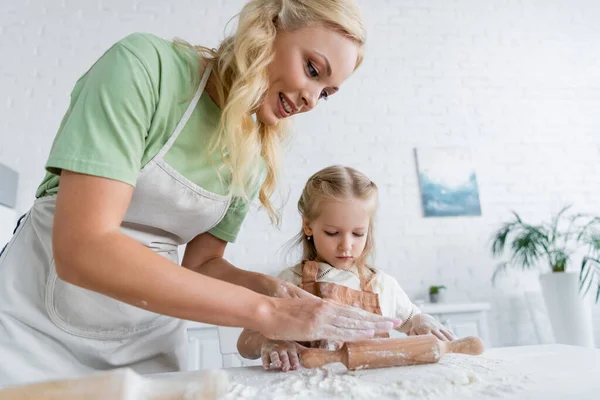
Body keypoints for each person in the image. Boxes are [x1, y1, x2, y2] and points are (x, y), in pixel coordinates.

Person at [0, 0, 401, 385]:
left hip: (147, 344)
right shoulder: (144, 68)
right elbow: (82, 247)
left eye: (327, 92)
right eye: (312, 69)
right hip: (34, 335)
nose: (312, 100)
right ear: (269, 27)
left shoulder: (254, 152)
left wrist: (274, 289)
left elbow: (202, 264)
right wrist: (268, 311)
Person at [237, 165, 457, 372]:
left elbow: (411, 320)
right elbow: (245, 342)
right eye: (333, 233)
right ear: (308, 226)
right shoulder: (289, 283)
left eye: (358, 233)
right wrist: (270, 341)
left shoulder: (382, 285)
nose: (346, 245)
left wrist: (421, 321)